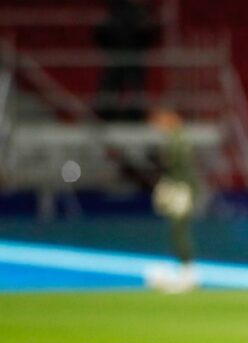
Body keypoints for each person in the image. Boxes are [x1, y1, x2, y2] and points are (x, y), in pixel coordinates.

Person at [145, 108, 200, 292]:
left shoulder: (178, 140)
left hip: (181, 188)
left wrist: (172, 187)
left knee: (178, 228)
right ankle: (186, 272)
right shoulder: (179, 139)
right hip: (181, 187)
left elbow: (178, 168)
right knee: (176, 229)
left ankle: (188, 273)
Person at [94, 0, 158, 121]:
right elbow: (101, 35)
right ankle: (110, 113)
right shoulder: (117, 12)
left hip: (129, 58)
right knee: (113, 86)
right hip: (120, 58)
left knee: (130, 86)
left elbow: (148, 35)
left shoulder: (134, 13)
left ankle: (130, 114)